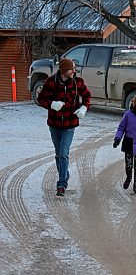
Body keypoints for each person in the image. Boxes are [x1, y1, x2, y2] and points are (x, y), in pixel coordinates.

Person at [38, 58, 91, 197]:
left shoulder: (77, 82)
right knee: (58, 154)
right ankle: (65, 173)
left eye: (74, 69)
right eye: (71, 69)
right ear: (63, 70)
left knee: (64, 153)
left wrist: (84, 108)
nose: (74, 71)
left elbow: (87, 97)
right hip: (54, 124)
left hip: (69, 124)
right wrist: (51, 104)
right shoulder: (51, 82)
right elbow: (41, 99)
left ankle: (61, 184)